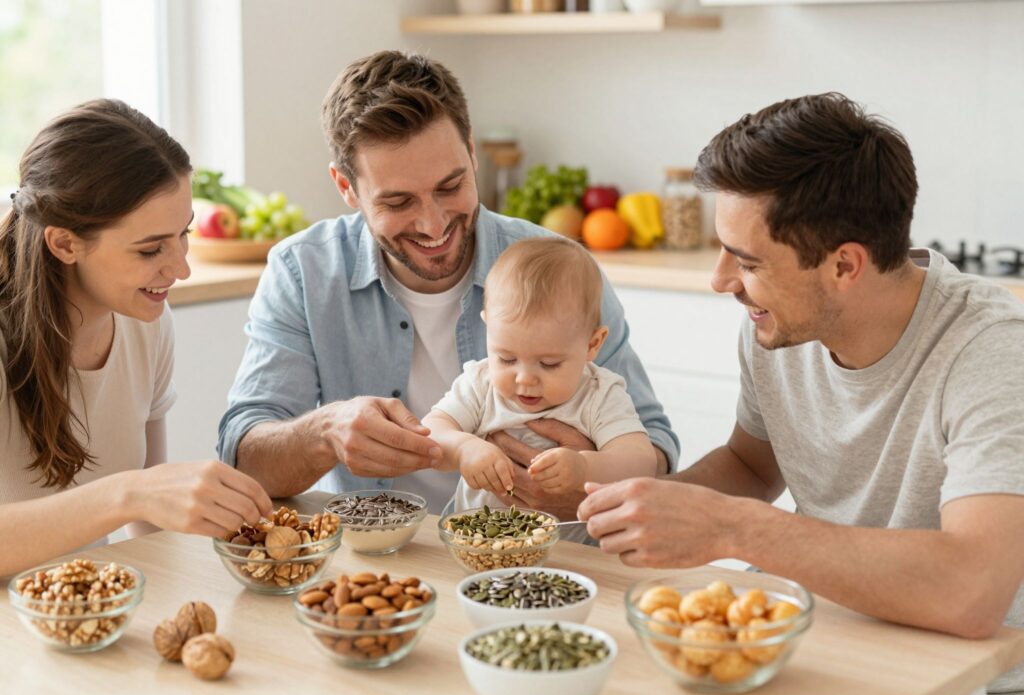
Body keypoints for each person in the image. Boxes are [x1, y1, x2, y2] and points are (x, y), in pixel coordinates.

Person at [577, 92, 1024, 695]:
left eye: (748, 261)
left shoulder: (990, 351)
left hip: (972, 689)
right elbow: (753, 467)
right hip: (818, 644)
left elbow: (971, 593)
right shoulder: (778, 324)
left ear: (844, 265)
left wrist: (733, 529)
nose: (721, 281)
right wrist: (623, 507)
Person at [217, 51, 678, 519]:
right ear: (346, 187)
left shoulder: (561, 271)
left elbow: (656, 449)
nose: (433, 223)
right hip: (378, 559)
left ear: (472, 152)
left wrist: (585, 473)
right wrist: (323, 434)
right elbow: (245, 459)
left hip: (548, 559)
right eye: (398, 201)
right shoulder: (303, 272)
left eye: (450, 186)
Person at [0, 99, 271, 577]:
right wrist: (127, 494)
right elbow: (138, 496)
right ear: (64, 243)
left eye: (183, 234)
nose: (180, 268)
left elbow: (148, 525)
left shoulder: (146, 324)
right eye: (151, 249)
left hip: (88, 617)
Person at [422, 237, 657, 529]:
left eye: (549, 364)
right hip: (478, 546)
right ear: (487, 328)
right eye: (506, 358)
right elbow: (430, 435)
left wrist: (584, 467)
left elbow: (641, 462)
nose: (524, 378)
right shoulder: (480, 384)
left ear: (592, 345)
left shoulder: (600, 394)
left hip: (575, 559)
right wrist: (463, 449)